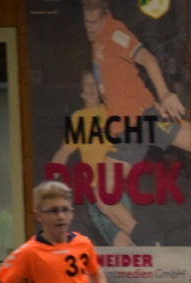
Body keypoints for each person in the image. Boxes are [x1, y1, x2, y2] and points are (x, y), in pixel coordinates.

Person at [81, 0, 191, 161]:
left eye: (94, 22)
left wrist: (163, 94)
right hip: (125, 130)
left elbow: (148, 58)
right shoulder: (97, 41)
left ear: (106, 16)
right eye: (86, 21)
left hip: (143, 119)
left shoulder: (115, 33)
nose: (89, 28)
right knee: (107, 178)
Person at [50, 71, 137, 247]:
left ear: (100, 90)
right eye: (86, 85)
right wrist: (48, 183)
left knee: (129, 246)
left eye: (94, 84)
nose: (90, 88)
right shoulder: (78, 119)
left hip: (118, 190)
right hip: (97, 194)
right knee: (122, 247)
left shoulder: (112, 112)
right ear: (82, 93)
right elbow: (64, 152)